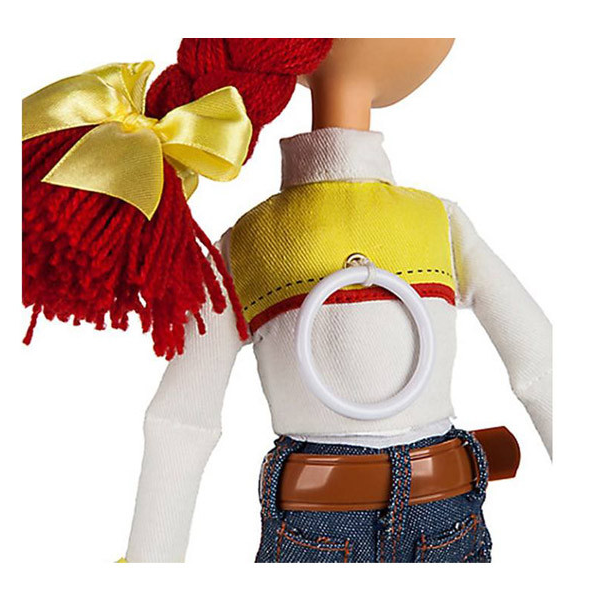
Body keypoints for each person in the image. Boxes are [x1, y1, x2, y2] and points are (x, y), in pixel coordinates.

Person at [123, 39, 551, 563]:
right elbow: (541, 367)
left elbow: (180, 422)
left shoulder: (249, 241)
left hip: (343, 519)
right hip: (425, 517)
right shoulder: (435, 222)